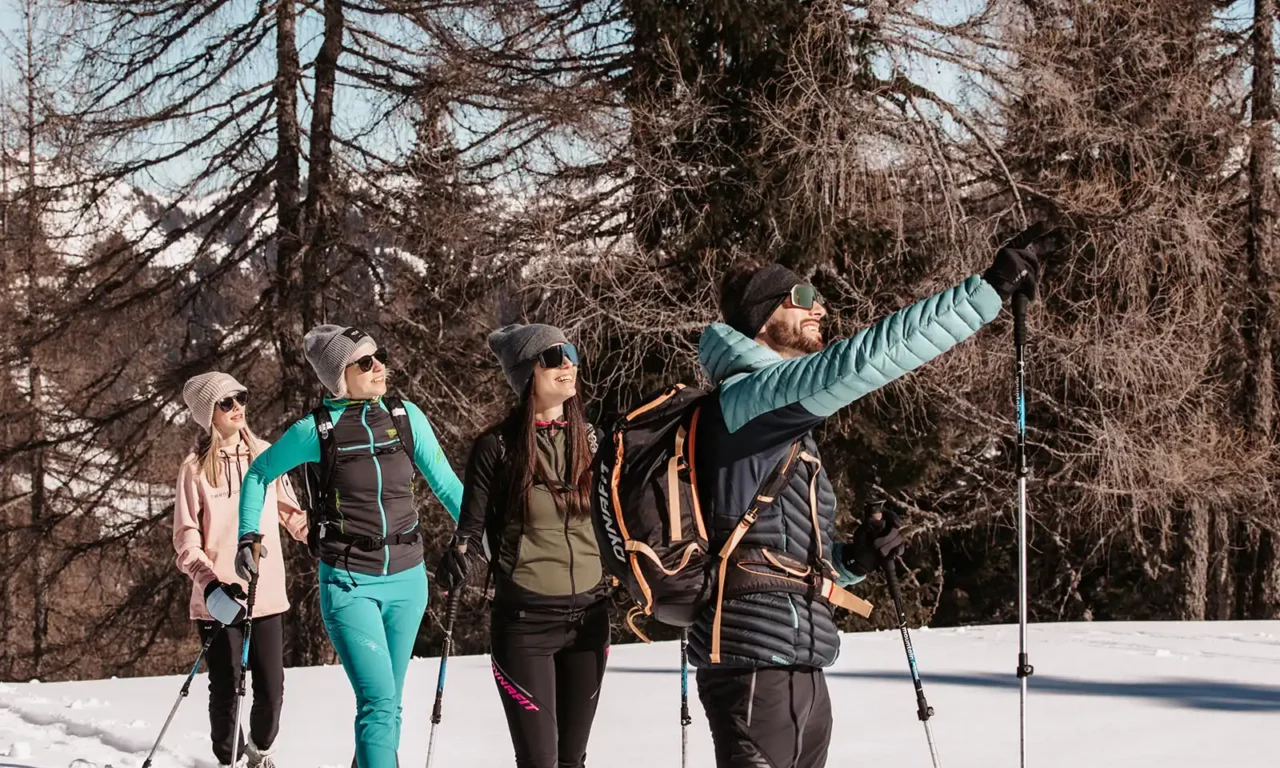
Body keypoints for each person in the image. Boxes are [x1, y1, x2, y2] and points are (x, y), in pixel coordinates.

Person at [690, 245, 1041, 767]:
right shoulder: (750, 399)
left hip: (798, 663)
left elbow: (774, 554)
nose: (820, 308)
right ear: (763, 320)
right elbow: (864, 360)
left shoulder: (780, 424)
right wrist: (986, 291)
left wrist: (853, 560)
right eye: (801, 297)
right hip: (754, 667)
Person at [234, 325, 464, 768]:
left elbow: (447, 484)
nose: (381, 367)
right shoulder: (315, 430)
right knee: (378, 704)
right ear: (340, 376)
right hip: (348, 582)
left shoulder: (405, 416)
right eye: (366, 362)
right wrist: (249, 535)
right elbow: (259, 473)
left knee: (388, 707)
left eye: (380, 356)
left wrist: (482, 536)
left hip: (408, 581)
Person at [434, 323, 609, 768]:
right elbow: (471, 530)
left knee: (573, 759)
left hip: (590, 619)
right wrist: (457, 558)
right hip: (525, 625)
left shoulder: (594, 443)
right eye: (553, 357)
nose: (568, 363)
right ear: (525, 373)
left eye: (570, 351)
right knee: (540, 762)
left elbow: (623, 522)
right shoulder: (497, 448)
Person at [174, 372, 308, 768]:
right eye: (226, 402)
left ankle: (260, 752)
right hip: (220, 598)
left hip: (265, 594)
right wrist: (209, 583)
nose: (238, 408)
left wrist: (324, 535)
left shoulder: (265, 455)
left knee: (272, 689)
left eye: (241, 398)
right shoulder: (194, 468)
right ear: (207, 414)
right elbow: (185, 540)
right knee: (228, 686)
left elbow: (292, 515)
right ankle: (229, 759)